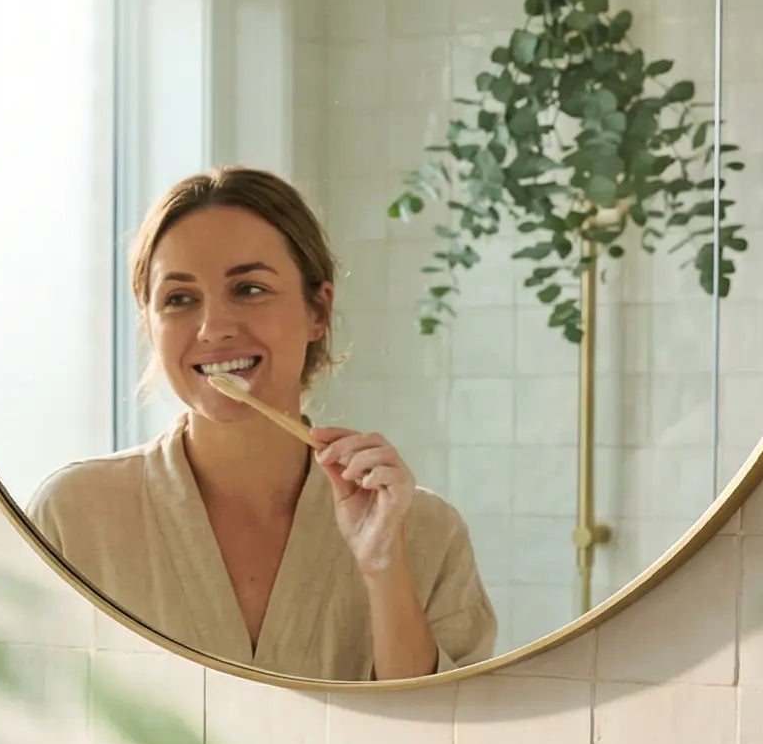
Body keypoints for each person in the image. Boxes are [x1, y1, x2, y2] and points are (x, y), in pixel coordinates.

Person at [25, 168, 494, 679]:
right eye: (179, 299)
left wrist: (384, 568)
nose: (214, 328)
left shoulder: (426, 534)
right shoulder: (73, 518)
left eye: (249, 289)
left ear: (318, 309)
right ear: (149, 323)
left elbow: (442, 740)